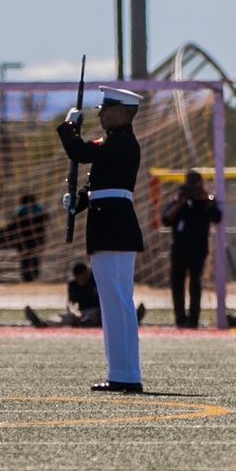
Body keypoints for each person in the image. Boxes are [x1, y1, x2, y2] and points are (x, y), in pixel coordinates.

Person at [57, 86, 145, 393]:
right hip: (107, 227)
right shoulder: (112, 144)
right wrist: (76, 201)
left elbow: (79, 153)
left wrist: (69, 126)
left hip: (114, 229)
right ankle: (121, 372)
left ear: (121, 112)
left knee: (118, 304)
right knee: (113, 305)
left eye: (105, 109)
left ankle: (127, 375)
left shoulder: (123, 143)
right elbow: (96, 184)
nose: (100, 112)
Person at [161, 169, 223, 329]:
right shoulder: (178, 201)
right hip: (179, 248)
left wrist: (206, 199)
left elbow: (217, 217)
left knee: (195, 282)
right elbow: (166, 220)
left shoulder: (206, 201)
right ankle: (180, 319)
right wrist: (179, 203)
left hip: (198, 248)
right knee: (177, 283)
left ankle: (193, 320)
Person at [24, 262, 145, 328]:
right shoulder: (73, 285)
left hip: (101, 312)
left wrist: (101, 311)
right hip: (83, 313)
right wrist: (75, 314)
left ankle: (133, 320)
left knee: (113, 315)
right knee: (65, 317)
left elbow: (110, 298)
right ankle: (43, 323)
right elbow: (71, 303)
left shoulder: (98, 280)